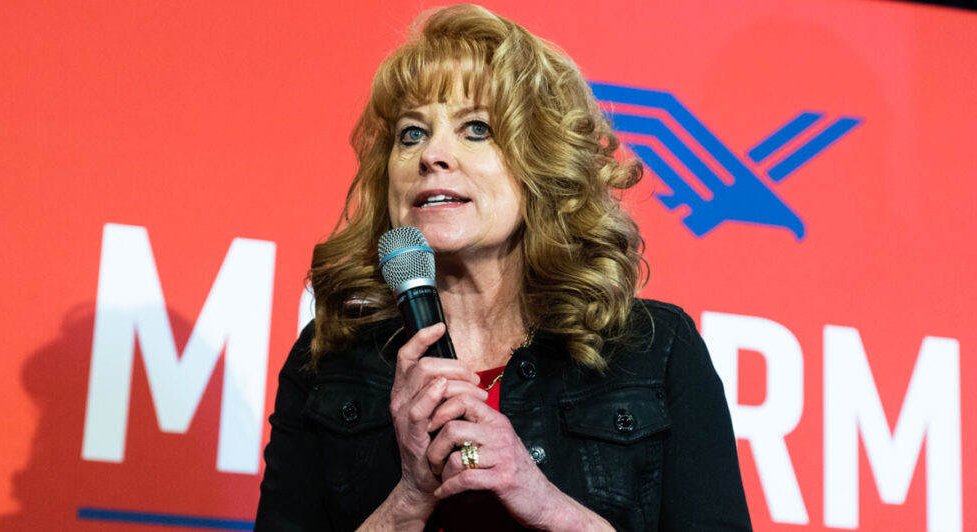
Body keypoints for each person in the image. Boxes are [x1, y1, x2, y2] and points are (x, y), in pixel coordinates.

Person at [256, 4, 752, 531]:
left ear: (542, 166)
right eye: (411, 133)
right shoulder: (330, 359)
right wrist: (408, 499)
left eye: (476, 129)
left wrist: (543, 501)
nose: (432, 155)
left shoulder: (652, 351)